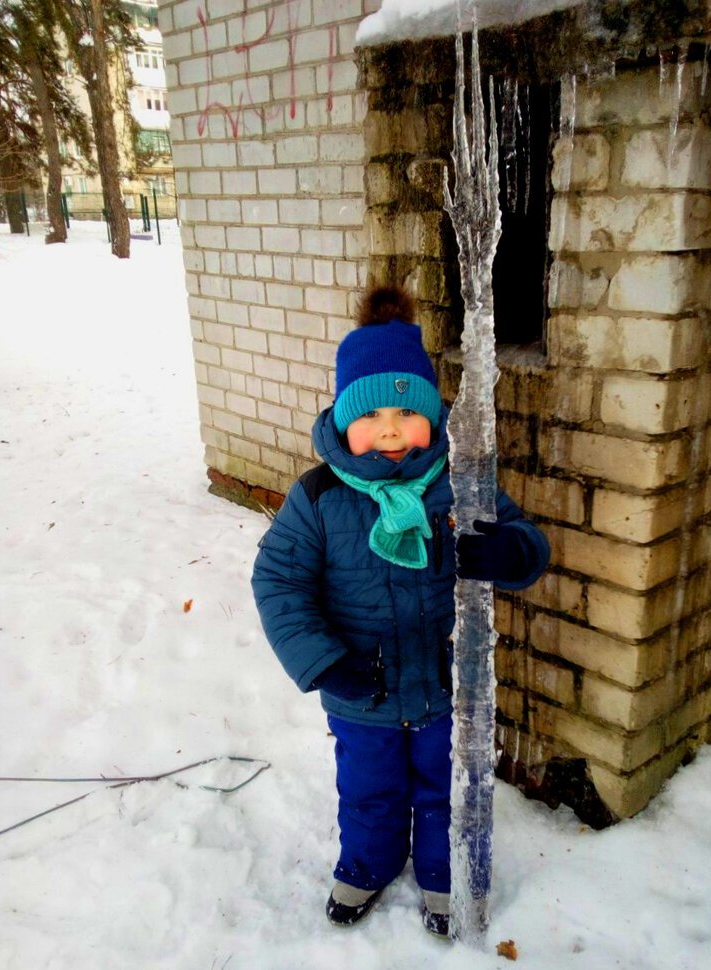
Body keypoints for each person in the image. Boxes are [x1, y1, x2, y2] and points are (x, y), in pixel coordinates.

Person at [251, 285, 550, 936]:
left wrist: (507, 552)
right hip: (361, 690)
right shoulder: (320, 496)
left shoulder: (460, 479)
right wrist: (326, 663)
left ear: (431, 416)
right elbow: (278, 582)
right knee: (369, 790)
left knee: (444, 790)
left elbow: (528, 543)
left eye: (405, 411)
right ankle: (367, 864)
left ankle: (444, 881)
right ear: (342, 421)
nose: (390, 428)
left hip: (445, 687)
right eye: (371, 413)